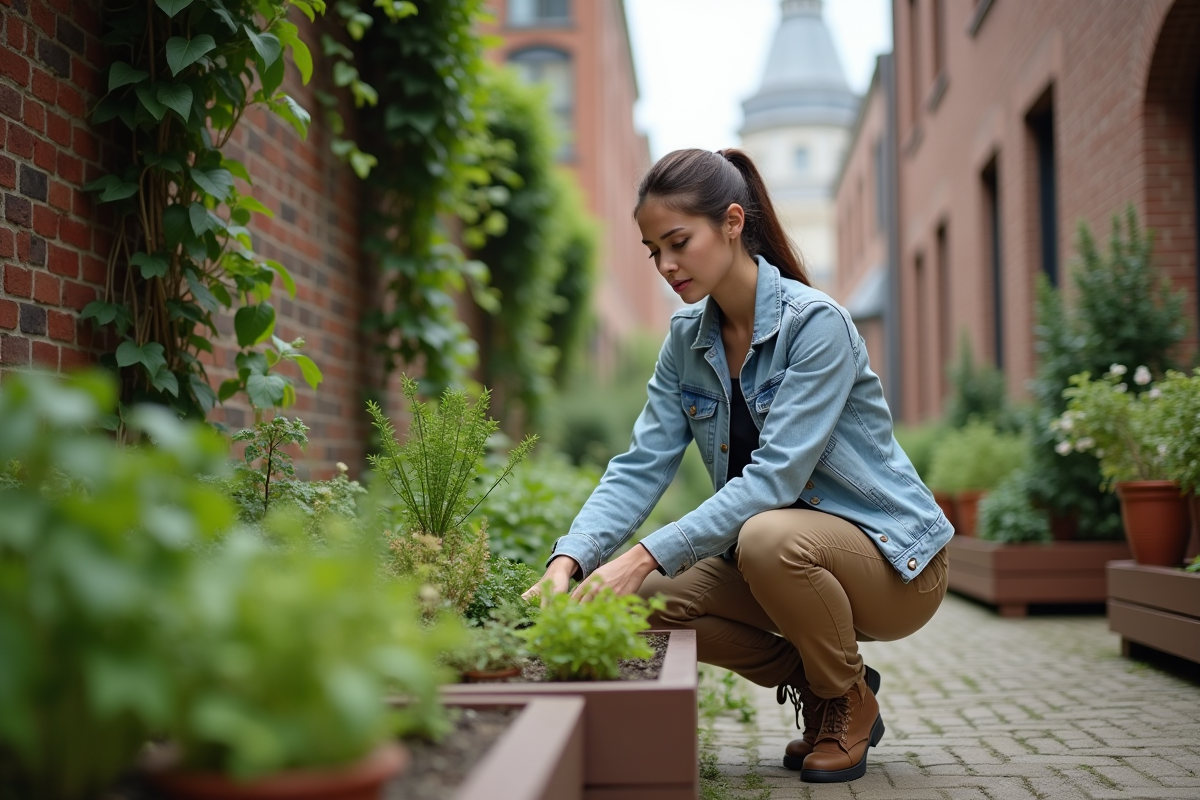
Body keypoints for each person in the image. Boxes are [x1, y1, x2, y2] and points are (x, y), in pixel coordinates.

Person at [523, 148, 953, 784]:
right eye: (653, 251)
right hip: (779, 565)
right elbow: (641, 465)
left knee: (765, 534)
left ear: (731, 223)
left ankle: (846, 701)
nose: (666, 265)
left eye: (678, 243)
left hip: (894, 567)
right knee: (631, 601)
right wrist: (572, 561)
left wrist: (642, 554)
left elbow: (776, 479)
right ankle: (828, 680)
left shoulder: (816, 325)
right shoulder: (685, 340)